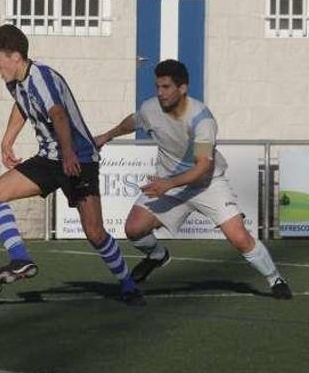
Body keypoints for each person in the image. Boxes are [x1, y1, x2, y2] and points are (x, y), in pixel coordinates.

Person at [94, 59, 292, 299]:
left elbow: (202, 168)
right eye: (158, 87)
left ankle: (275, 279)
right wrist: (107, 135)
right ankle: (157, 256)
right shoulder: (150, 108)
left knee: (239, 238)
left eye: (166, 87)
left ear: (183, 88)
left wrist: (167, 184)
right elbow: (133, 121)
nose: (160, 93)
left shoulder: (202, 119)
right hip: (170, 183)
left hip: (206, 184)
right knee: (134, 229)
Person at [0, 24, 144, 305]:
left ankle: (128, 285)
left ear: (15, 56)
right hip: (48, 158)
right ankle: (20, 259)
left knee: (94, 232)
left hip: (79, 158)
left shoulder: (41, 77)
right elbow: (22, 106)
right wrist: (7, 140)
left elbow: (58, 114)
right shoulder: (15, 81)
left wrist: (68, 153)